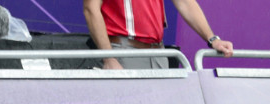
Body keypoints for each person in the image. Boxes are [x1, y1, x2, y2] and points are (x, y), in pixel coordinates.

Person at [83, 0, 235, 70]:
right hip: (124, 53)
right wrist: (109, 58)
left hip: (158, 54)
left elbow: (185, 3)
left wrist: (212, 39)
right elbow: (90, 9)